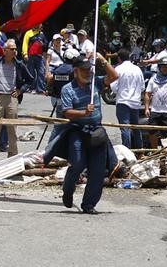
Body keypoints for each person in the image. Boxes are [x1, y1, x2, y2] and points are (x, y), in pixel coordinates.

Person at [55, 52, 118, 213]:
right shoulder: (67, 89)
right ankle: (68, 190)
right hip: (77, 131)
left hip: (96, 131)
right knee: (77, 163)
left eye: (89, 69)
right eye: (83, 70)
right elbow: (67, 112)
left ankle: (89, 204)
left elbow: (114, 76)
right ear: (75, 71)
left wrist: (102, 60)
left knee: (97, 171)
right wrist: (84, 113)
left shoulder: (95, 83)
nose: (87, 72)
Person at [0, 39, 35, 157]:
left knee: (12, 129)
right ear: (5, 51)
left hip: (11, 99)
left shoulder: (19, 65)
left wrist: (20, 90)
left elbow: (30, 80)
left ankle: (13, 156)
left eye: (15, 49)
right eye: (12, 49)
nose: (15, 51)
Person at [110, 48, 145, 150]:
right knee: (136, 127)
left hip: (123, 101)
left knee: (124, 127)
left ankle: (127, 150)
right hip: (135, 102)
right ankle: (139, 149)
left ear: (119, 59)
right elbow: (142, 86)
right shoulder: (137, 69)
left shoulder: (118, 69)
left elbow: (114, 87)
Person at [22, 24, 47, 93]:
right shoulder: (28, 33)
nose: (40, 25)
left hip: (39, 56)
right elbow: (25, 44)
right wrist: (25, 54)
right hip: (30, 56)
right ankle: (30, 88)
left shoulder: (42, 34)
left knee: (41, 72)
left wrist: (43, 44)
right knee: (30, 72)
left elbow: (46, 44)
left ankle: (40, 89)